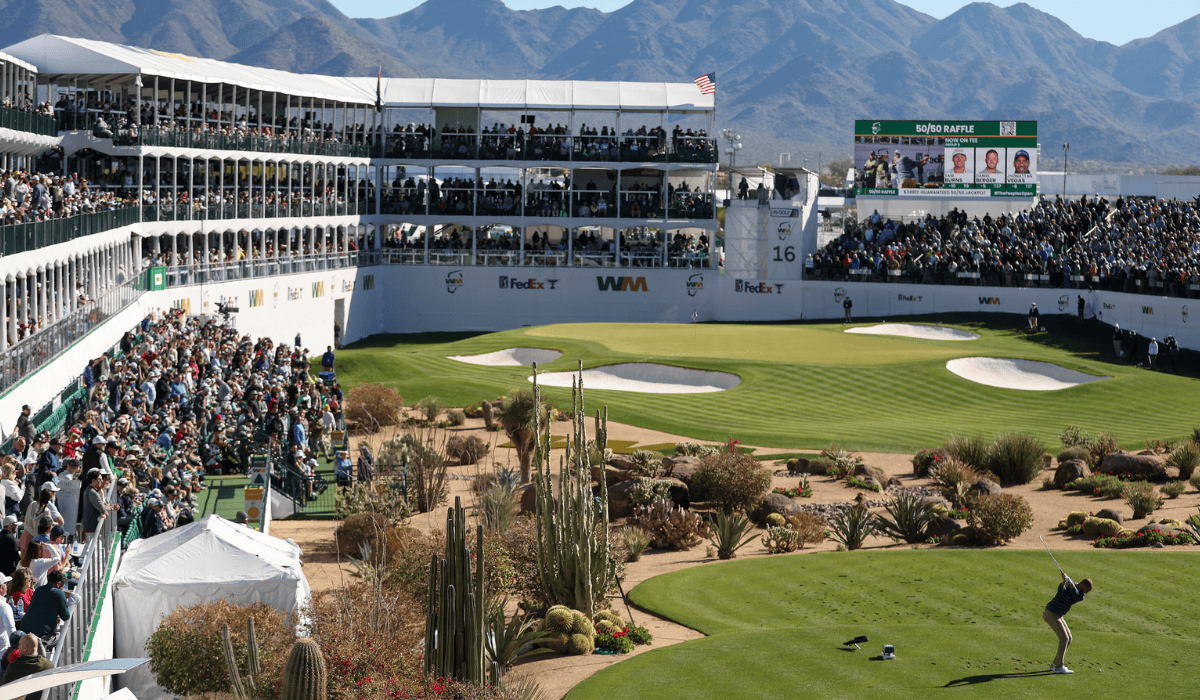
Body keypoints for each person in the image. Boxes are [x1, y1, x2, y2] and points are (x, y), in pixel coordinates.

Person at [1043, 571, 1093, 674]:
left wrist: (1070, 583)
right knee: (1064, 638)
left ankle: (1055, 664)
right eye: (1087, 590)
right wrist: (1064, 580)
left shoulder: (1081, 595)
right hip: (1051, 613)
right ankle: (1059, 666)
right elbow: (1061, 589)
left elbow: (1075, 595)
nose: (1087, 593)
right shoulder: (1070, 584)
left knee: (1069, 638)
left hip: (1058, 615)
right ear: (1083, 586)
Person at [19, 570, 74, 648]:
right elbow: (65, 616)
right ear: (58, 584)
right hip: (40, 634)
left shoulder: (38, 589)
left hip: (24, 629)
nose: (64, 585)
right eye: (63, 583)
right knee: (61, 637)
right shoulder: (59, 593)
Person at [1, 634, 54, 698]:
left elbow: (4, 692)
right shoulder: (48, 665)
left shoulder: (14, 666)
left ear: (25, 648)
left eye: (20, 645)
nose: (18, 647)